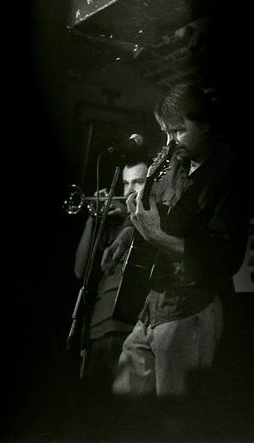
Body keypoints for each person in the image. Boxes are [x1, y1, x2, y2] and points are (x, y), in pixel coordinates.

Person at [110, 83, 254, 397]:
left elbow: (225, 259)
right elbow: (153, 209)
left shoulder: (229, 176)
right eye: (166, 133)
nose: (170, 143)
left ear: (206, 124)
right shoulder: (175, 165)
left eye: (177, 131)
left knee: (177, 415)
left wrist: (156, 236)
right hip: (152, 308)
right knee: (121, 405)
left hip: (190, 310)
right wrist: (126, 232)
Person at [73, 156, 149, 395]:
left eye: (138, 182)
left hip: (129, 327)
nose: (129, 190)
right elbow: (80, 270)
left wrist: (128, 217)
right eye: (125, 184)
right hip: (97, 328)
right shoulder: (111, 223)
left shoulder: (148, 221)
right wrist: (92, 219)